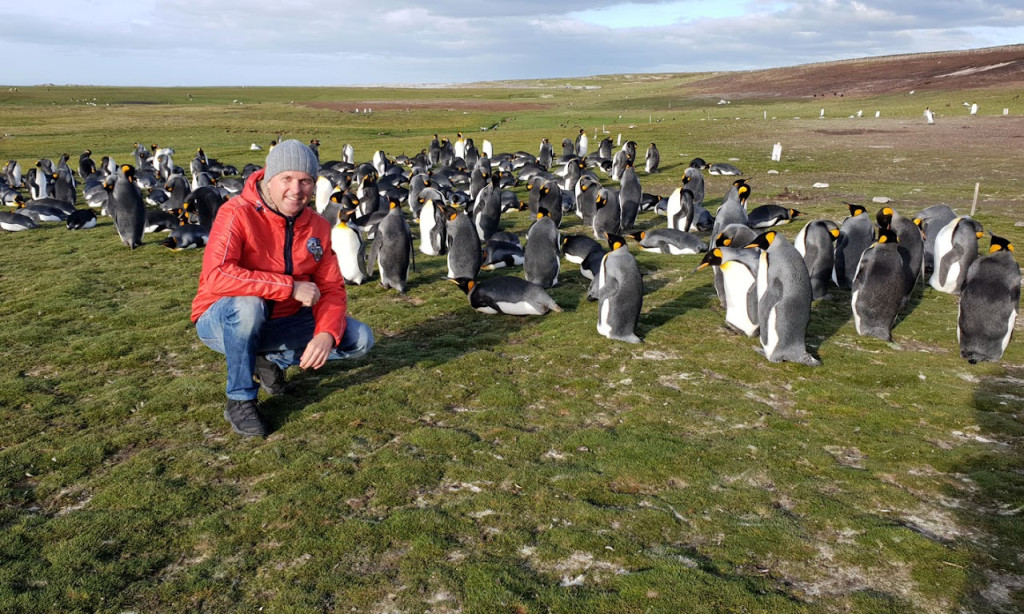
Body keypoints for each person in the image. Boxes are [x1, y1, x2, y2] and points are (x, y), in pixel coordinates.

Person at [191, 139, 374, 437]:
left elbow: (331, 289)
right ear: (269, 176)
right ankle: (240, 399)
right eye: (286, 178)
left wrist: (327, 333)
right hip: (223, 320)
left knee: (359, 339)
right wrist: (288, 287)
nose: (296, 189)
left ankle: (268, 360)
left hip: (283, 322)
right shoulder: (236, 213)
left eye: (305, 181)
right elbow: (217, 275)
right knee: (249, 304)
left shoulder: (317, 225)